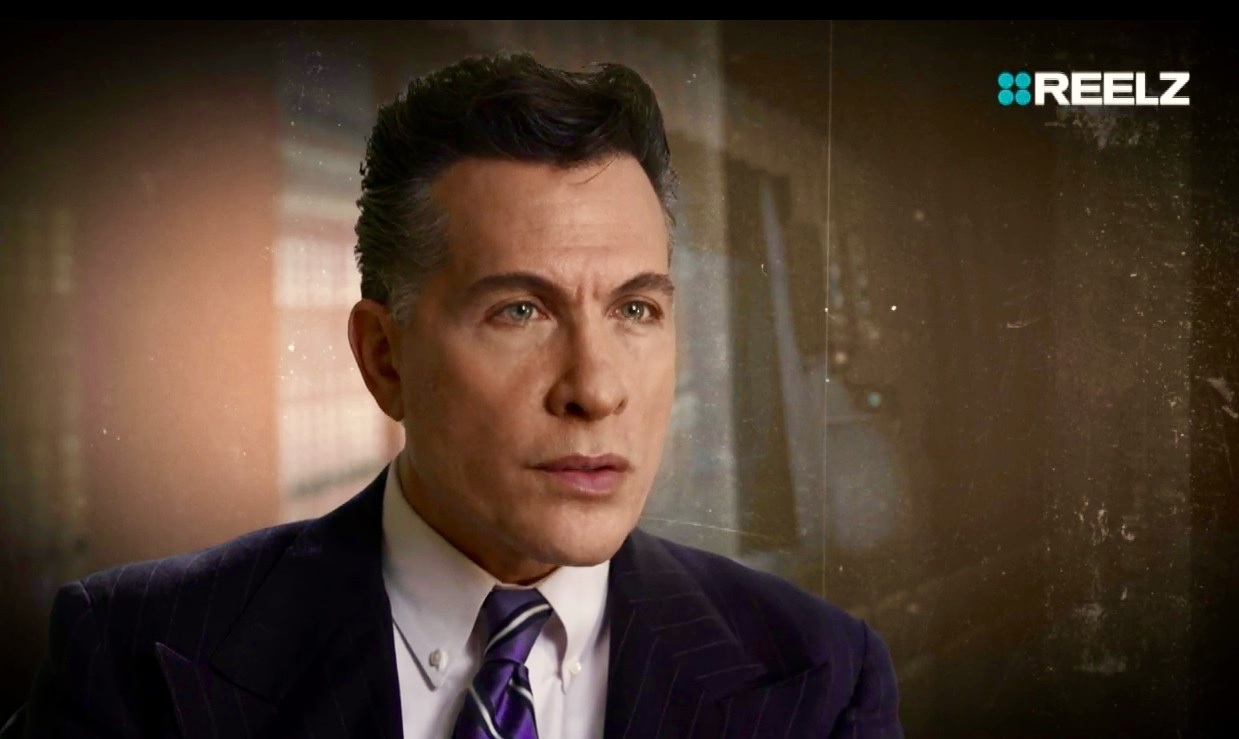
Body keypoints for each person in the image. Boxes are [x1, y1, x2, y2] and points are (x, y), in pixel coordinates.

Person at [2, 53, 901, 738]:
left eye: (635, 308)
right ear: (384, 358)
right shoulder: (133, 656)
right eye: (520, 310)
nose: (594, 389)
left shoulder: (822, 676)